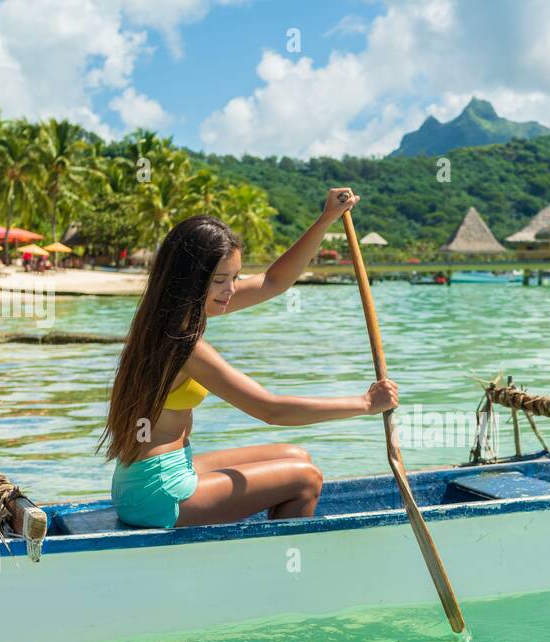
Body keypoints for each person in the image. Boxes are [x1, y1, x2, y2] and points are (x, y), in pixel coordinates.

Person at [99, 188, 397, 529]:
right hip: (157, 492)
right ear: (190, 281)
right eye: (220, 280)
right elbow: (271, 410)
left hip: (155, 473)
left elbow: (273, 281)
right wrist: (364, 403)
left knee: (296, 456)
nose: (231, 290)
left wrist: (326, 218)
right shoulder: (183, 343)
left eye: (235, 277)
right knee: (306, 478)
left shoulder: (167, 314)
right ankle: (280, 571)